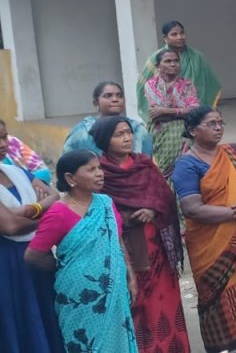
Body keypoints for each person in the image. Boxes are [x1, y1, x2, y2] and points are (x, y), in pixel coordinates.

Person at [170, 106, 236, 353]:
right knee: (217, 297)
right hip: (212, 244)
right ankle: (223, 348)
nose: (218, 128)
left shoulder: (231, 153)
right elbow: (192, 208)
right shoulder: (187, 165)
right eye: (211, 124)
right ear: (193, 130)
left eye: (220, 123)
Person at [90, 116, 190, 353]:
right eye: (119, 135)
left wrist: (152, 210)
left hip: (156, 247)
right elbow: (95, 208)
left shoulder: (144, 165)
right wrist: (127, 217)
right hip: (123, 249)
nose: (127, 138)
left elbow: (165, 197)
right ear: (105, 140)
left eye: (128, 132)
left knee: (163, 300)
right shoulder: (99, 172)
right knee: (134, 301)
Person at [25, 149, 139, 352]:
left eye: (99, 168)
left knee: (117, 341)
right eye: (91, 169)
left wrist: (131, 277)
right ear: (71, 178)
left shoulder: (106, 203)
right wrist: (66, 267)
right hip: (78, 295)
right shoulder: (59, 212)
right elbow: (33, 255)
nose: (99, 173)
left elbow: (118, 241)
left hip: (115, 288)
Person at [0, 152, 62, 352]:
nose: (2, 144)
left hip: (37, 254)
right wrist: (45, 217)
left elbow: (54, 196)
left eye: (4, 138)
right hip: (7, 262)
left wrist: (30, 210)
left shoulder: (16, 172)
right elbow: (11, 227)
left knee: (44, 311)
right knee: (18, 316)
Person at [136, 20, 221, 118]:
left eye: (182, 33)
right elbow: (142, 85)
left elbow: (209, 83)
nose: (180, 37)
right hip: (163, 117)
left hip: (193, 110)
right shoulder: (155, 58)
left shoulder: (197, 57)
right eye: (174, 34)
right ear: (165, 38)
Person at [143, 49, 200, 175]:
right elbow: (157, 115)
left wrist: (165, 110)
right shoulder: (151, 85)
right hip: (161, 132)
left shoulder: (187, 84)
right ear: (158, 66)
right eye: (168, 61)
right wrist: (182, 111)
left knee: (186, 168)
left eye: (176, 61)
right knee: (164, 169)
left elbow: (195, 110)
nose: (173, 64)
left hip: (185, 131)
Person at [64, 81, 153, 156]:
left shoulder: (137, 129)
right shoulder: (82, 131)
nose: (115, 99)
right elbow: (67, 163)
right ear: (96, 103)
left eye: (119, 95)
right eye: (108, 96)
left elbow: (147, 163)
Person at [1, 120, 52, 185]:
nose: (3, 144)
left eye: (4, 137)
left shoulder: (13, 142)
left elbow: (44, 172)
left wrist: (26, 179)